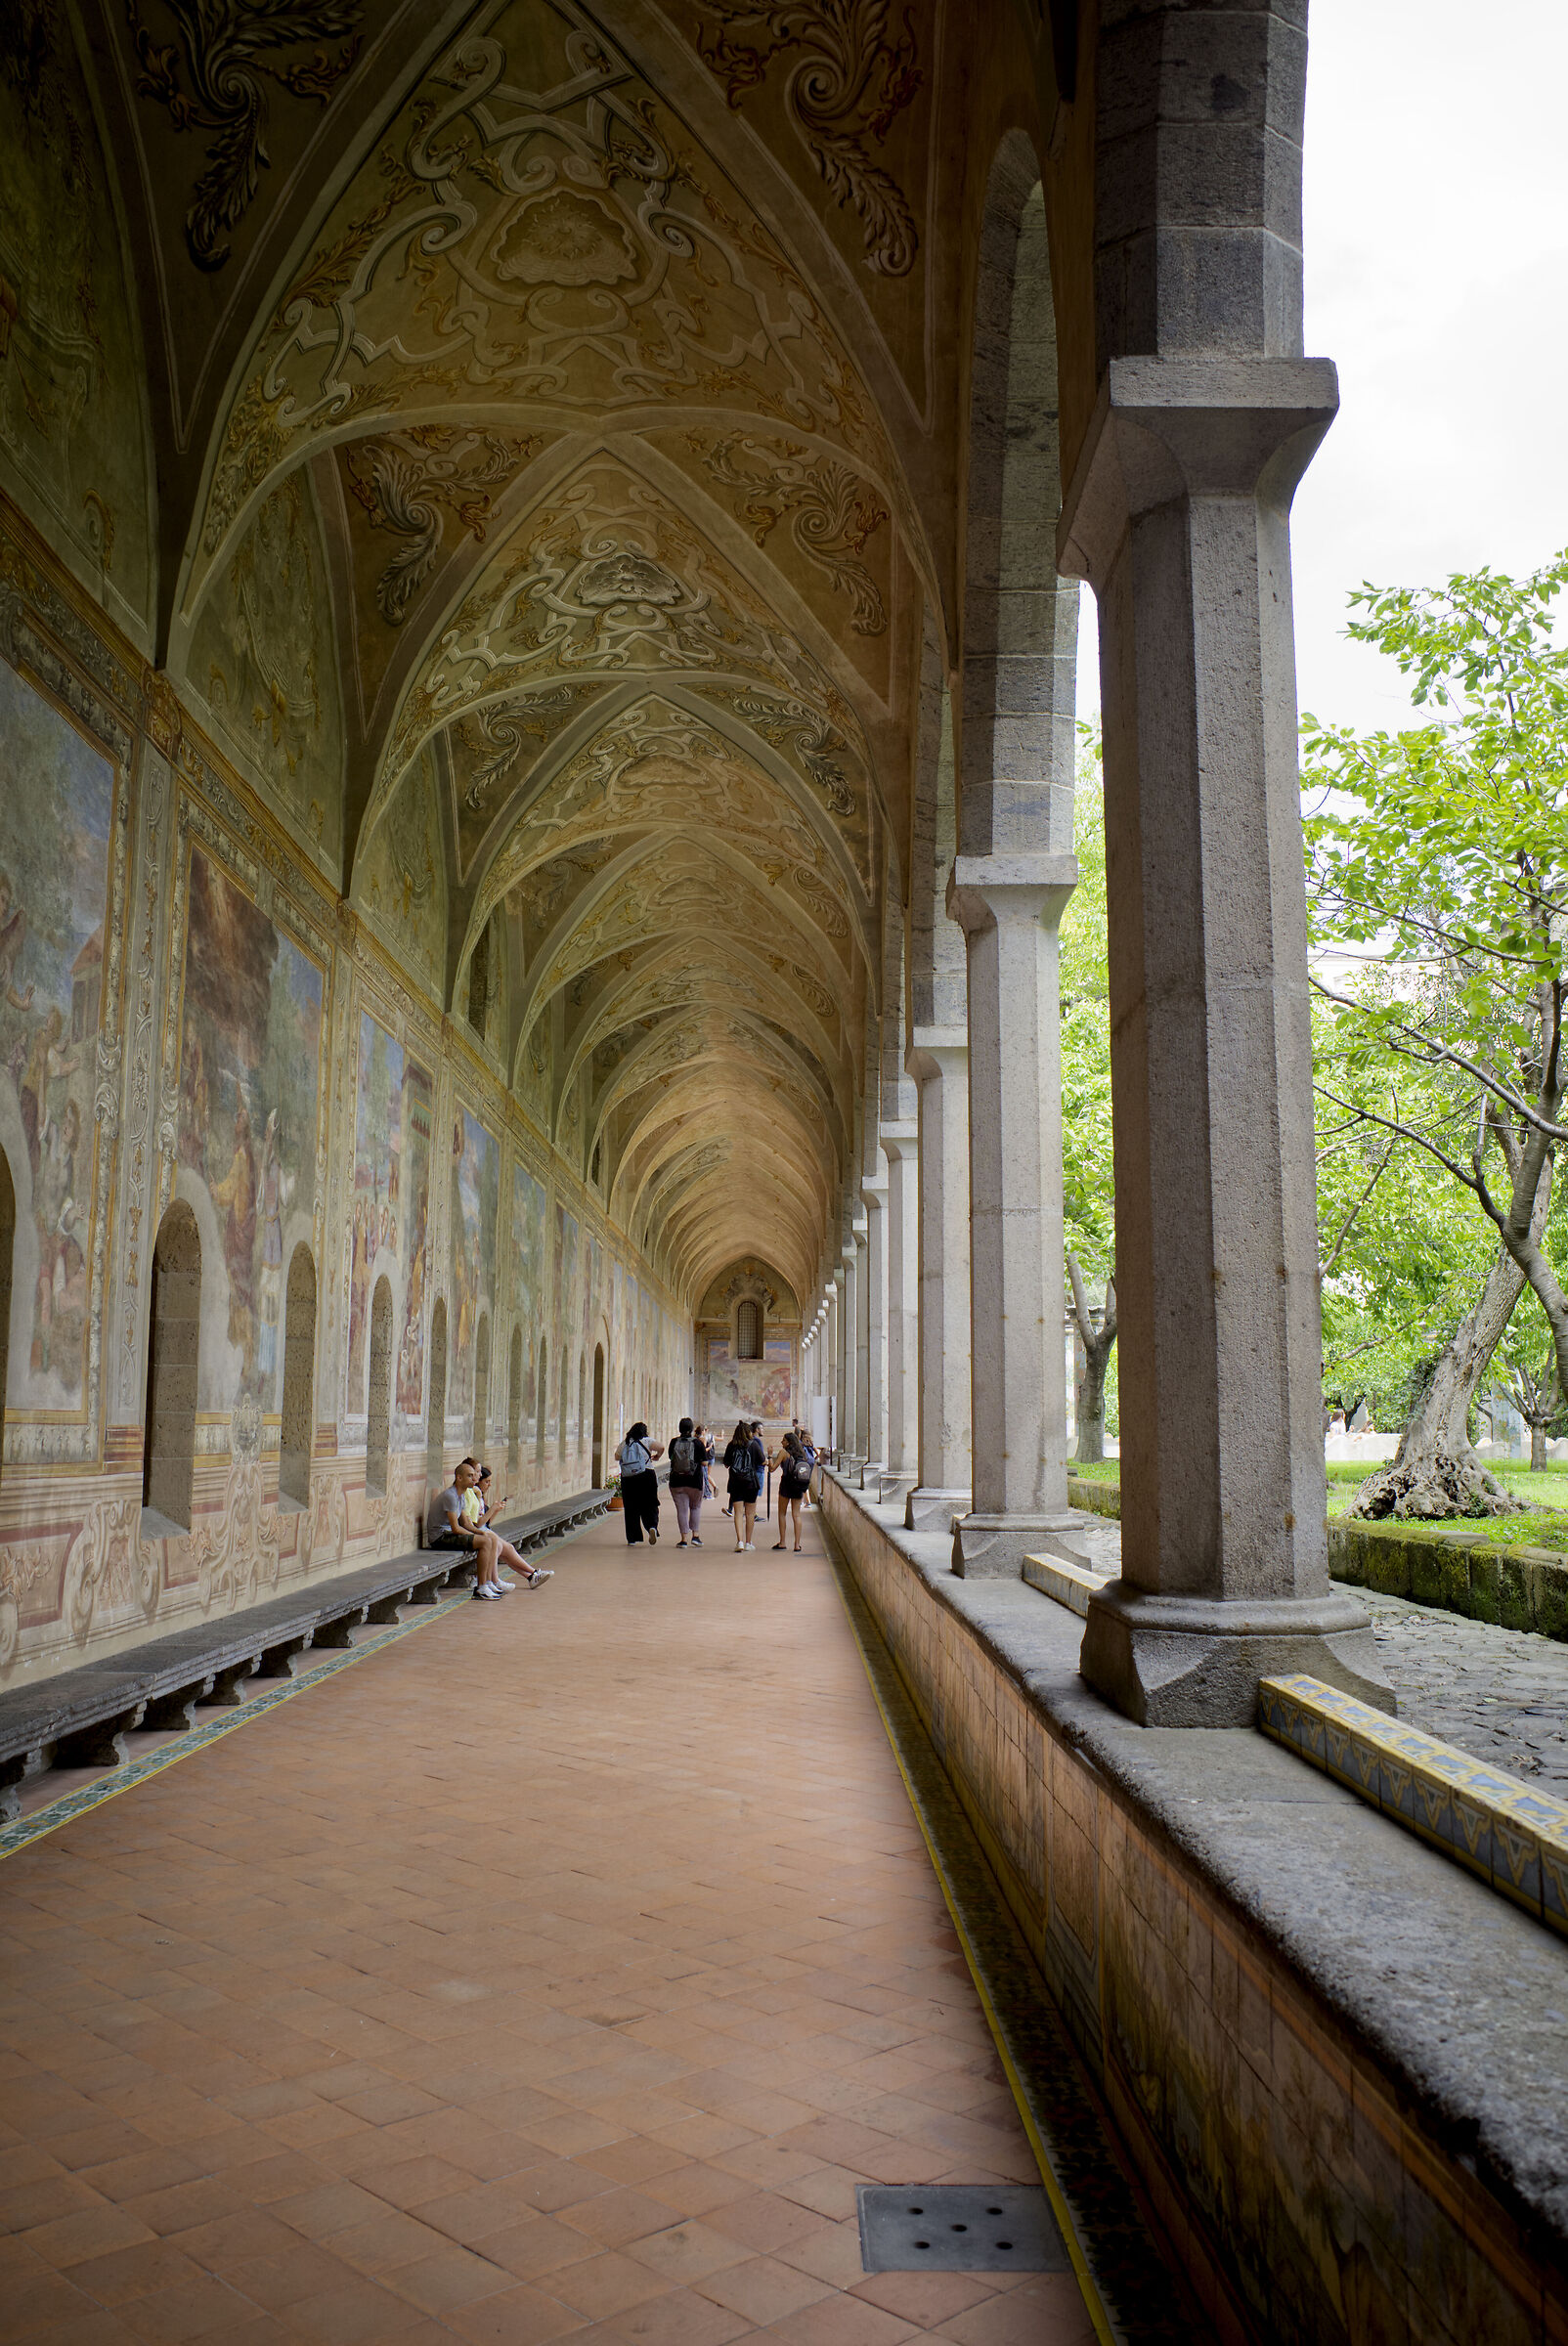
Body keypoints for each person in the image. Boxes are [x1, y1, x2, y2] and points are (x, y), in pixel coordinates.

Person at [465, 1464, 553, 1588]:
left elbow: (486, 1522)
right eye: (486, 1481)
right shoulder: (472, 1495)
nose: (489, 1485)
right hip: (478, 1531)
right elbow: (478, 1523)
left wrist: (495, 1510)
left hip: (483, 1529)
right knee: (501, 1547)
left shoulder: (479, 1495)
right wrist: (493, 1509)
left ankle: (531, 1576)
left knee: (508, 1549)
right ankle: (493, 1580)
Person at [427, 1458, 504, 1600]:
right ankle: (481, 1588)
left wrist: (482, 1533)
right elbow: (456, 1528)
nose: (475, 1478)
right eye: (470, 1475)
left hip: (449, 1533)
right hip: (440, 1537)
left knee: (489, 1538)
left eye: (474, 1475)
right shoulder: (450, 1496)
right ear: (459, 1477)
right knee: (485, 1542)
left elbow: (465, 1523)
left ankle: (487, 1582)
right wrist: (480, 1537)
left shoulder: (461, 1495)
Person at [616, 1421, 663, 1545]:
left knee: (631, 1507)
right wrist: (657, 1456)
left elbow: (616, 1456)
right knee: (650, 1503)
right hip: (647, 1475)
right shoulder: (647, 1441)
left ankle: (632, 1538)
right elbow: (661, 1447)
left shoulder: (625, 1443)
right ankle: (652, 1526)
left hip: (629, 1477)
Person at [723, 1418, 765, 1550]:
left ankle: (739, 1541)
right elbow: (762, 1461)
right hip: (750, 1482)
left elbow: (726, 1463)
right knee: (750, 1513)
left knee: (738, 1513)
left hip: (736, 1482)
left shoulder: (731, 1445)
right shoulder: (753, 1445)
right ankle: (748, 1542)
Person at [772, 1429, 814, 1552]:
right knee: (796, 1514)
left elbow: (772, 1469)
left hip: (786, 1484)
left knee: (782, 1513)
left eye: (784, 1440)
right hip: (798, 1485)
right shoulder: (802, 1453)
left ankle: (783, 1542)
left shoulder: (783, 1453)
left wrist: (769, 1456)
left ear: (789, 1442)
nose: (781, 1442)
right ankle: (797, 1544)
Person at [667, 1416, 705, 1546]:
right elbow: (704, 1462)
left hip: (676, 1481)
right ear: (692, 1429)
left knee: (681, 1511)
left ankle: (683, 1540)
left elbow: (671, 1457)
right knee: (695, 1507)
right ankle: (696, 1536)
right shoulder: (698, 1443)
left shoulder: (673, 1442)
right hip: (695, 1481)